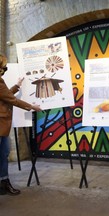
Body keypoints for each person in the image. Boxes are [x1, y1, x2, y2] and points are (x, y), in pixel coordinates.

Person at [0, 54, 42, 196]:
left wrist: (17, 86)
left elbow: (5, 95)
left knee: (4, 154)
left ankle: (4, 182)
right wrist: (31, 106)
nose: (5, 68)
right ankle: (4, 182)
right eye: (3, 66)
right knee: (2, 154)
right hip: (1, 123)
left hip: (3, 125)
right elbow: (12, 100)